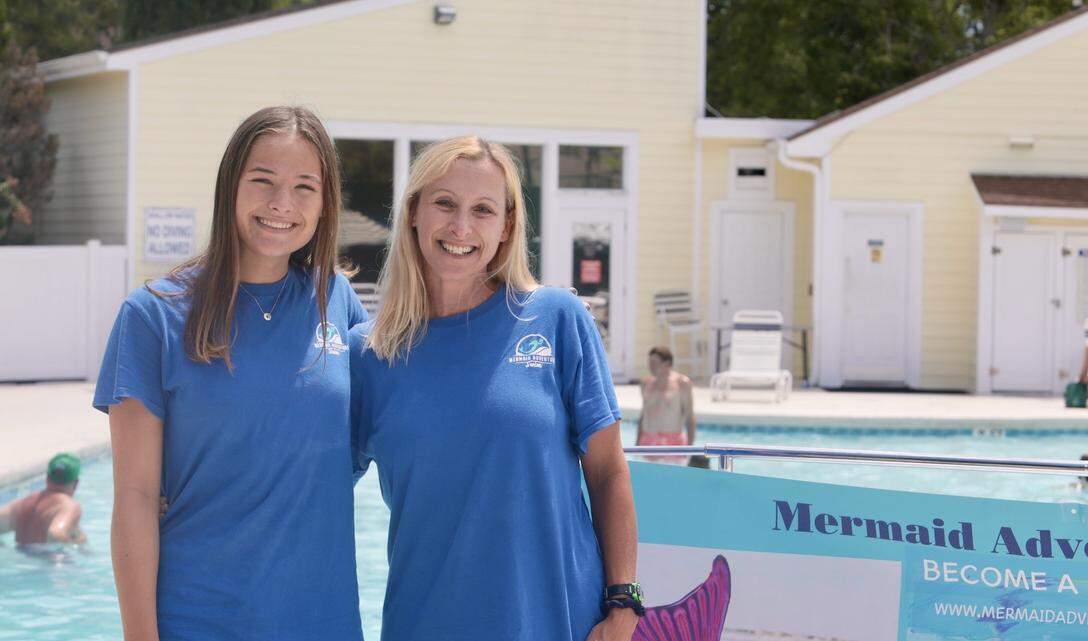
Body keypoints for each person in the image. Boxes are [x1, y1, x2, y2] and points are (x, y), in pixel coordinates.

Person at [93, 107, 368, 641]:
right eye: (262, 181)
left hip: (324, 619)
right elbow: (135, 496)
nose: (281, 204)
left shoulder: (336, 300)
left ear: (325, 202)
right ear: (230, 187)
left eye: (304, 187)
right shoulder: (153, 315)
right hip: (197, 618)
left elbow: (386, 432)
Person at [350, 137, 641, 641]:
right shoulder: (370, 355)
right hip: (426, 624)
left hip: (561, 623)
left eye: (482, 210)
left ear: (506, 226)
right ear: (414, 212)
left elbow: (609, 471)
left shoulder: (557, 320)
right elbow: (308, 487)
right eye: (444, 203)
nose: (461, 227)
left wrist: (623, 603)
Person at [0, 453, 86, 546]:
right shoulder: (68, 506)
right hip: (48, 558)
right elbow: (56, 534)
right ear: (76, 483)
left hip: (21, 555)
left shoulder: (24, 503)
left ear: (47, 477)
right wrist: (71, 545)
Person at [638, 346, 696, 464]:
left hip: (673, 442)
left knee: (672, 481)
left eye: (654, 363)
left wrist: (689, 449)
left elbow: (690, 418)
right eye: (650, 362)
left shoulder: (682, 384)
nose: (651, 366)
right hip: (649, 440)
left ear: (667, 364)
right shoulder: (646, 383)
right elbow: (643, 416)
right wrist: (637, 443)